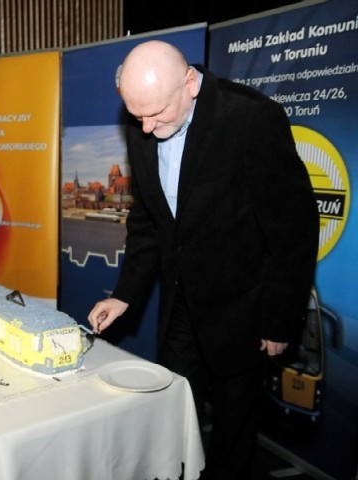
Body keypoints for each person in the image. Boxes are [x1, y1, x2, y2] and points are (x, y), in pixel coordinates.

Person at [87, 40, 319, 480]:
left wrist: (279, 320)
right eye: (137, 116)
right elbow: (148, 220)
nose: (147, 127)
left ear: (190, 84)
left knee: (233, 428)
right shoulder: (144, 123)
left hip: (242, 309)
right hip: (180, 305)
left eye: (156, 113)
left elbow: (294, 228)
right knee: (174, 413)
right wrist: (125, 295)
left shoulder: (250, 119)